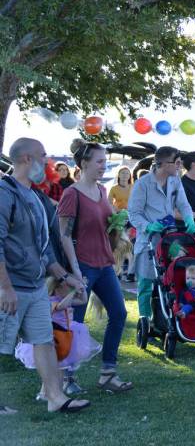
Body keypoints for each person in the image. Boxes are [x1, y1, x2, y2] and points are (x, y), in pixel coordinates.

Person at [0, 137, 89, 413]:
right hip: (11, 286)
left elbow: (45, 250)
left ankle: (55, 398)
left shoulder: (36, 197)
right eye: (43, 155)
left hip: (36, 286)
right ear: (27, 158)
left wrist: (65, 278)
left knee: (44, 340)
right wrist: (4, 288)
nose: (47, 160)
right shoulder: (4, 193)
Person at [59, 138, 132, 394]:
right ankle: (67, 378)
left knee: (119, 314)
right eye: (100, 161)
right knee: (76, 324)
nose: (104, 165)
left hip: (104, 263)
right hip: (84, 266)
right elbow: (64, 235)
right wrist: (75, 270)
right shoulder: (71, 194)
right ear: (84, 163)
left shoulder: (102, 191)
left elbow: (106, 223)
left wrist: (116, 225)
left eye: (105, 161)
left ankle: (107, 373)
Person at [128, 146, 195, 319]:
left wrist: (189, 219)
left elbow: (183, 204)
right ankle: (145, 319)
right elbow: (134, 213)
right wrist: (148, 226)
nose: (180, 166)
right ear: (164, 164)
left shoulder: (175, 181)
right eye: (177, 162)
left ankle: (172, 314)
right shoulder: (142, 184)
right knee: (146, 282)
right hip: (148, 240)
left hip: (171, 238)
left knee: (176, 276)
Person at [15, 277, 101, 398]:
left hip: (66, 336)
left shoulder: (65, 299)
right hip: (54, 337)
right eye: (68, 287)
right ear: (57, 288)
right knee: (51, 368)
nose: (70, 289)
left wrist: (82, 287)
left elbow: (83, 300)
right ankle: (44, 392)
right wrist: (73, 292)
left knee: (61, 367)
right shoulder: (50, 300)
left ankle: (57, 393)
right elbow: (61, 306)